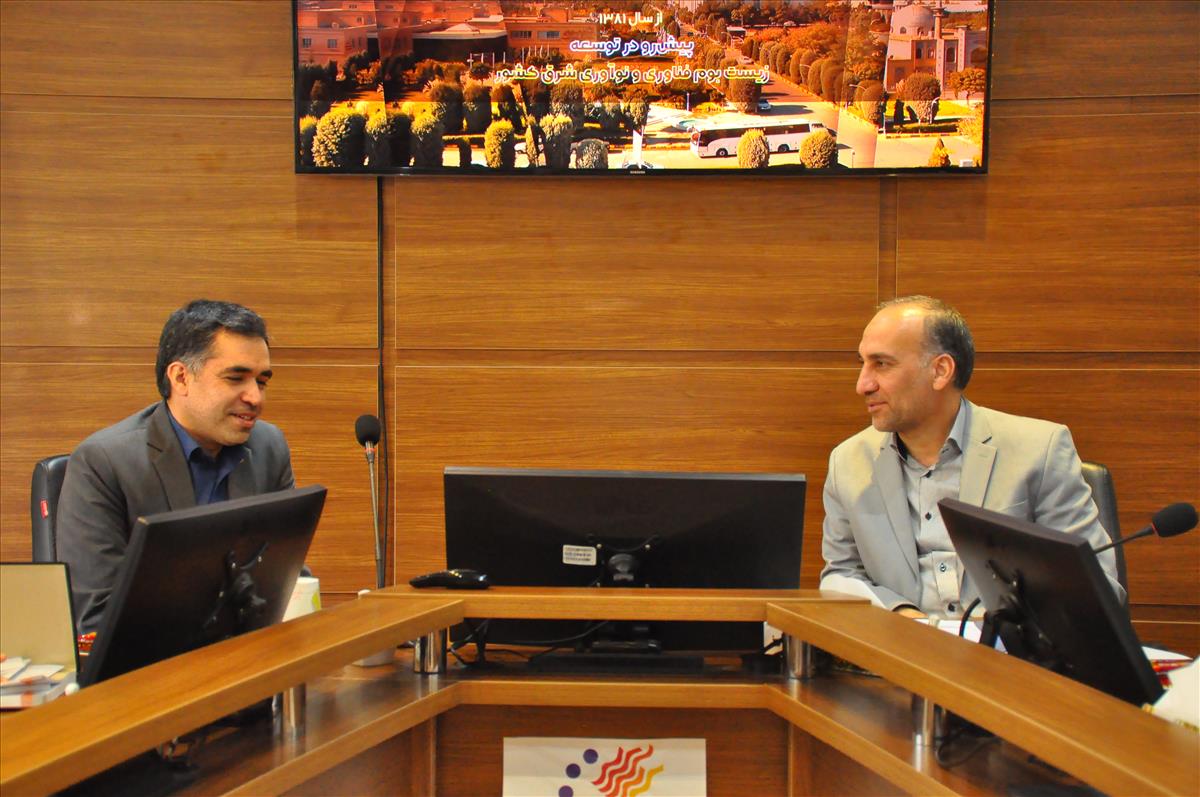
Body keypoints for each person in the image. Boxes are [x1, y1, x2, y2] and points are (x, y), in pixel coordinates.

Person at [820, 296, 1123, 618]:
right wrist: (905, 617)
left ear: (940, 371)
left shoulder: (1039, 450)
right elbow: (841, 575)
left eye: (881, 364)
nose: (862, 385)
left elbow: (1098, 590)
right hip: (901, 644)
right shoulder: (848, 462)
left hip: (1002, 646)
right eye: (862, 363)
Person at [57, 300, 294, 634]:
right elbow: (99, 614)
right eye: (235, 378)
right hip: (152, 660)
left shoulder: (269, 447)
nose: (255, 398)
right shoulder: (103, 463)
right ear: (181, 377)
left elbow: (284, 576)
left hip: (251, 652)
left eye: (262, 382)